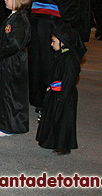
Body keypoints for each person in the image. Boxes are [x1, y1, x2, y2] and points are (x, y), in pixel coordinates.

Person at [26, 0, 77, 111]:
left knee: (36, 59)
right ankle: (50, 98)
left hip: (35, 20)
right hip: (54, 22)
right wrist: (70, 20)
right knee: (52, 61)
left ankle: (37, 98)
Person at [36, 22, 84, 155]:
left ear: (63, 42)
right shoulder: (62, 55)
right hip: (55, 92)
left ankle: (63, 145)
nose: (52, 44)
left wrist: (62, 96)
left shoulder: (70, 59)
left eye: (54, 41)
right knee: (52, 118)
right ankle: (51, 141)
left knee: (62, 121)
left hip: (63, 95)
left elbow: (68, 79)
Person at [0, 0, 31, 136]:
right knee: (3, 91)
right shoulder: (14, 16)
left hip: (13, 62)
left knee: (9, 93)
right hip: (8, 60)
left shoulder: (20, 19)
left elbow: (14, 44)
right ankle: (3, 122)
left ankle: (8, 126)